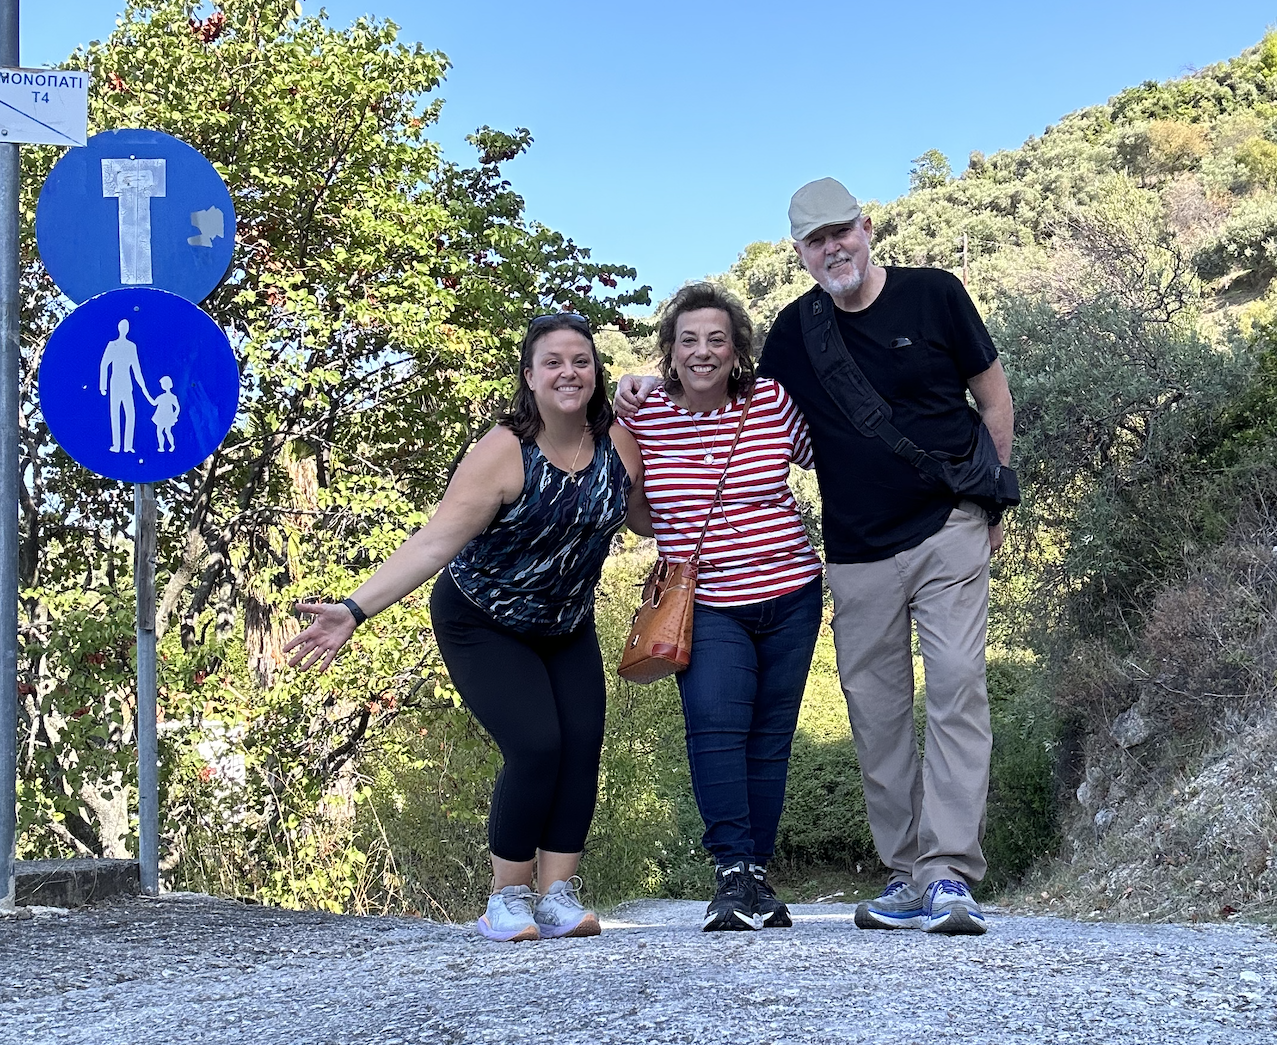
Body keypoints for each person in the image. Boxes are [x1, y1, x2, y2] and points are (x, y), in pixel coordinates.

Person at [618, 179, 1014, 937]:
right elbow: (729, 393)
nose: (833, 248)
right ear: (799, 253)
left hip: (948, 528)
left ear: (867, 227)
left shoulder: (936, 294)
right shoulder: (798, 333)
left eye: (842, 231)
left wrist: (994, 499)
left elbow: (994, 399)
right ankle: (906, 874)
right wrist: (636, 384)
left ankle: (948, 873)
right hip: (855, 554)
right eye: (815, 240)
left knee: (957, 687)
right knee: (876, 712)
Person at [285, 313, 643, 943]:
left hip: (565, 622)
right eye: (553, 362)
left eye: (580, 361)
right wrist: (354, 610)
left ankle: (557, 896)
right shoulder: (503, 451)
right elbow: (435, 543)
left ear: (596, 371)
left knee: (583, 743)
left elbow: (643, 516)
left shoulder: (619, 441)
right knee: (537, 746)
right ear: (529, 376)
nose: (568, 373)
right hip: (483, 619)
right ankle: (507, 899)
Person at [621, 283, 822, 933]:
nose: (702, 352)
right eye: (689, 340)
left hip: (792, 595)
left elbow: (830, 453)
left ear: (737, 349)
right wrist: (623, 387)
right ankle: (731, 872)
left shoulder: (771, 400)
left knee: (770, 740)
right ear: (670, 350)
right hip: (706, 604)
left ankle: (757, 873)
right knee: (714, 728)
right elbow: (633, 509)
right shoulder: (643, 415)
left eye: (717, 339)